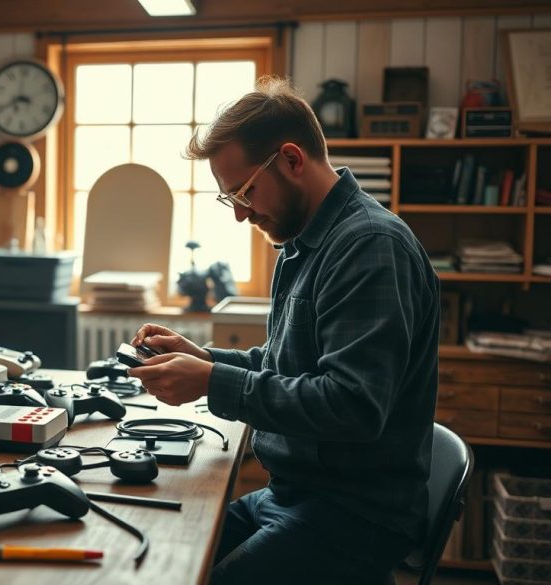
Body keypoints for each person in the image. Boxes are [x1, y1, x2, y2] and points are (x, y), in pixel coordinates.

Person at [127, 76, 440, 585]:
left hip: (355, 516)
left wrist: (209, 383)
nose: (242, 213)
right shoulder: (303, 242)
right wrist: (205, 360)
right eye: (231, 199)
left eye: (246, 191)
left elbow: (352, 405)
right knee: (162, 557)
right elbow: (284, 368)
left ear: (293, 159)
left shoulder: (370, 247)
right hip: (293, 495)